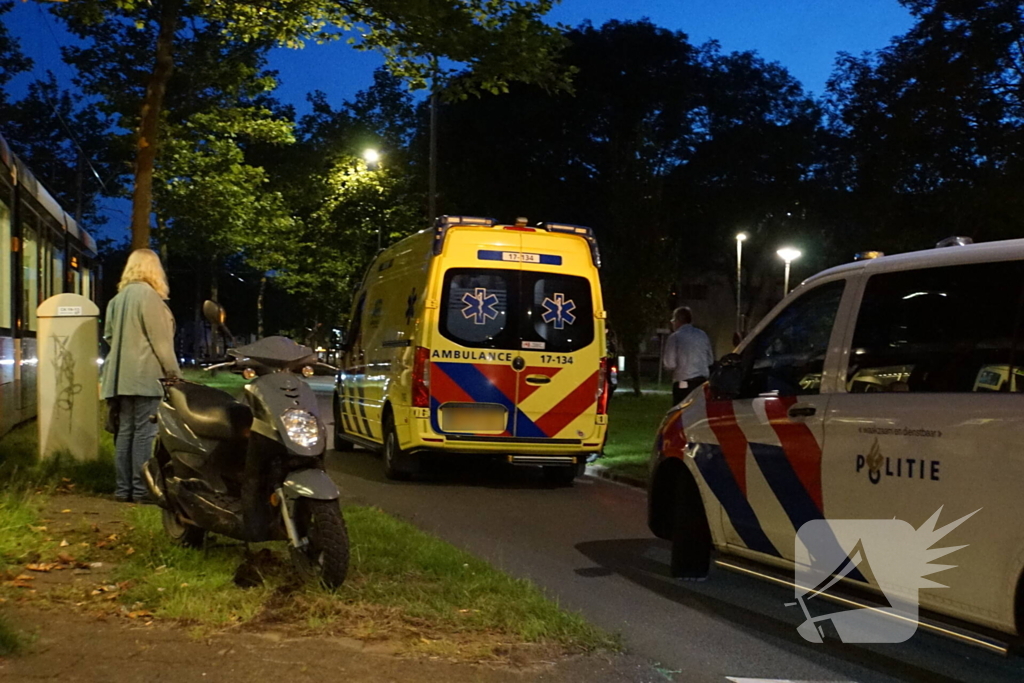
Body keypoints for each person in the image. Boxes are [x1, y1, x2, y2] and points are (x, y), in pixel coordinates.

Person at [101, 249, 181, 503]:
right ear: (154, 270)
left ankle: (123, 489)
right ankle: (142, 489)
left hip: (119, 378)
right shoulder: (150, 299)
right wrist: (174, 375)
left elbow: (109, 337)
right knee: (145, 435)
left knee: (125, 432)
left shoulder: (117, 300)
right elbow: (161, 343)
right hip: (146, 377)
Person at [662, 306, 714, 405]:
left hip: (683, 382)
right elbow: (710, 360)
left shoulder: (675, 337)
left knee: (681, 411)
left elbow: (670, 364)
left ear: (677, 321)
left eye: (673, 320)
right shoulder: (702, 334)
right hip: (702, 383)